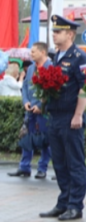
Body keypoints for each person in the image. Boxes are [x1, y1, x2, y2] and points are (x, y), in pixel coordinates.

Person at [37, 15, 86, 221]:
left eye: (58, 32)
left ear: (70, 34)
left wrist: (78, 114)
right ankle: (64, 201)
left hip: (70, 115)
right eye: (53, 32)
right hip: (55, 115)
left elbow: (85, 87)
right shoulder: (55, 57)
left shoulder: (79, 57)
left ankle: (75, 205)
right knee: (59, 161)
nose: (54, 35)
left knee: (74, 162)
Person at [10, 48, 51, 179]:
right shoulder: (32, 67)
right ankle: (24, 167)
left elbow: (51, 89)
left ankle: (42, 168)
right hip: (30, 110)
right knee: (27, 137)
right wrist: (26, 101)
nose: (31, 54)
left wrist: (40, 105)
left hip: (44, 111)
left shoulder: (51, 67)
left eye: (33, 52)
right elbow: (26, 87)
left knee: (46, 139)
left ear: (42, 52)